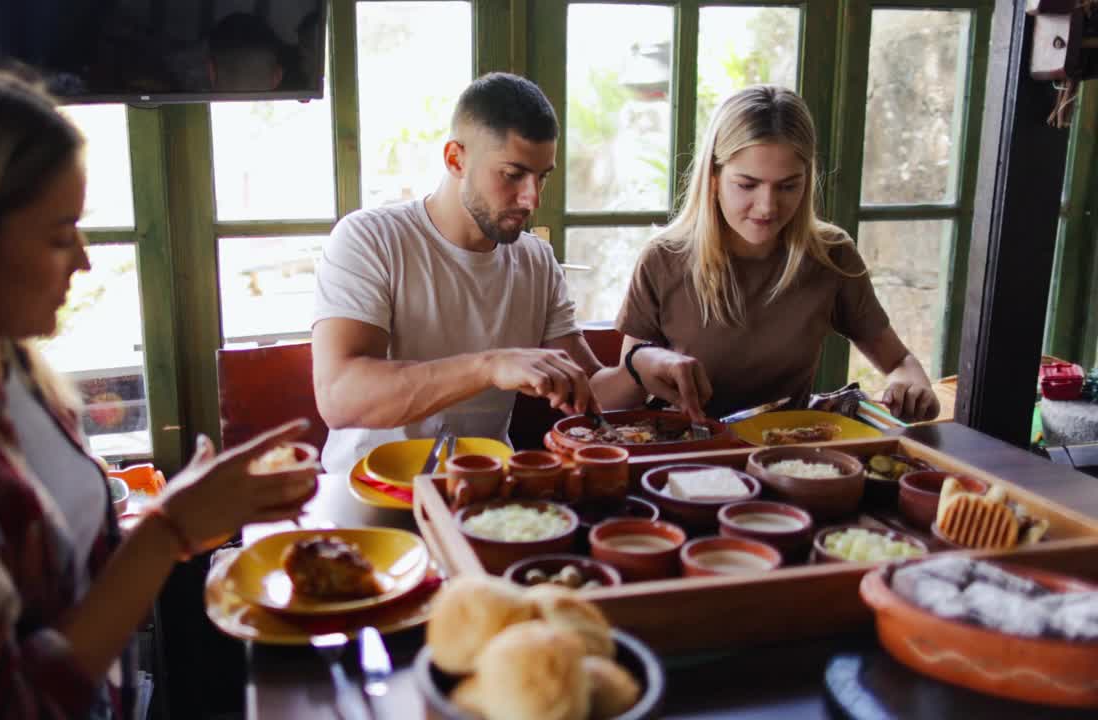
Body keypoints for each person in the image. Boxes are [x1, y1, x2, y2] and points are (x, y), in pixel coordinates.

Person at [0, 56, 316, 719]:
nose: (83, 258)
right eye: (59, 235)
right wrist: (167, 532)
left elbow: (67, 578)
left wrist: (190, 510)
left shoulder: (5, 369)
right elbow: (6, 708)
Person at [312, 72, 633, 476]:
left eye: (542, 176)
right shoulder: (369, 239)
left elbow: (587, 389)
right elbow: (339, 398)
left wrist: (639, 369)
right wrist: (490, 366)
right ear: (455, 159)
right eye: (513, 174)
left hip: (485, 494)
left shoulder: (535, 260)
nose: (532, 197)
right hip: (366, 495)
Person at [608, 85, 940, 423]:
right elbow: (620, 396)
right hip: (687, 452)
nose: (767, 207)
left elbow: (899, 362)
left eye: (788, 186)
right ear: (713, 177)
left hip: (786, 457)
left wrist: (910, 387)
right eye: (747, 185)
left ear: (807, 180)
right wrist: (640, 365)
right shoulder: (664, 259)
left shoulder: (831, 255)